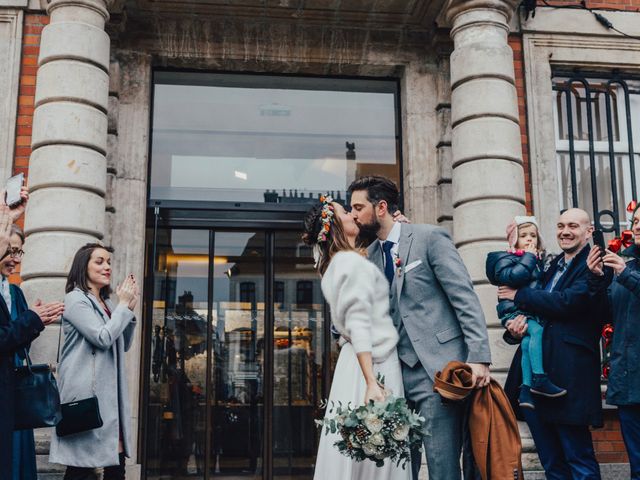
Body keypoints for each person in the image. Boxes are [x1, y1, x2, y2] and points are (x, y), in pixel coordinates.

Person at [348, 176, 492, 480]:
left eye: (359, 207)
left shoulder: (429, 238)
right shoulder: (370, 257)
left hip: (438, 373)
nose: (354, 215)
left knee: (442, 466)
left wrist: (478, 356)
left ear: (382, 207)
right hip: (395, 379)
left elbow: (464, 297)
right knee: (401, 468)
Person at [304, 195, 410, 480]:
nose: (352, 214)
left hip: (365, 361)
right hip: (369, 364)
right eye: (345, 212)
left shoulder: (354, 258)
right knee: (373, 450)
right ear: (336, 226)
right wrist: (371, 381)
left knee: (369, 449)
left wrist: (397, 234)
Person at [499, 208, 604, 480]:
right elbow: (536, 312)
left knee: (578, 460)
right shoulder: (550, 264)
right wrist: (515, 328)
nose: (565, 231)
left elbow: (569, 302)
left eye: (573, 226)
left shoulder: (594, 265)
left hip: (570, 380)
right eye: (560, 225)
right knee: (551, 463)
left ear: (588, 231)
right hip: (534, 384)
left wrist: (519, 295)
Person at [49, 244, 139, 480]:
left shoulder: (108, 304)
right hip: (86, 397)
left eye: (108, 261)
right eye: (99, 261)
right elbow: (103, 338)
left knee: (115, 466)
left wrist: (128, 311)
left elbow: (123, 344)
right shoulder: (75, 300)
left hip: (110, 399)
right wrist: (122, 307)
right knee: (81, 469)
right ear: (83, 266)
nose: (107, 266)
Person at [0, 187, 64, 480]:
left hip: (16, 393)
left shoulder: (15, 291)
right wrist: (31, 320)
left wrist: (35, 321)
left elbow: (18, 337)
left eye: (17, 251)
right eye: (8, 249)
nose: (14, 258)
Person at [486, 216, 565, 411]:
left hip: (528, 311)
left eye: (533, 235)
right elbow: (514, 277)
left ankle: (525, 390)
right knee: (536, 332)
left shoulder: (539, 261)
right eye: (523, 235)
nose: (529, 239)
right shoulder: (506, 258)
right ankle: (539, 378)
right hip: (513, 313)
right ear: (514, 239)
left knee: (529, 341)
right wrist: (528, 257)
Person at [587, 202, 640, 479]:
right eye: (636, 220)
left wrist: (625, 273)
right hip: (628, 380)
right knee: (637, 466)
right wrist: (597, 280)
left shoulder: (625, 270)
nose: (639, 225)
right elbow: (605, 314)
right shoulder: (624, 267)